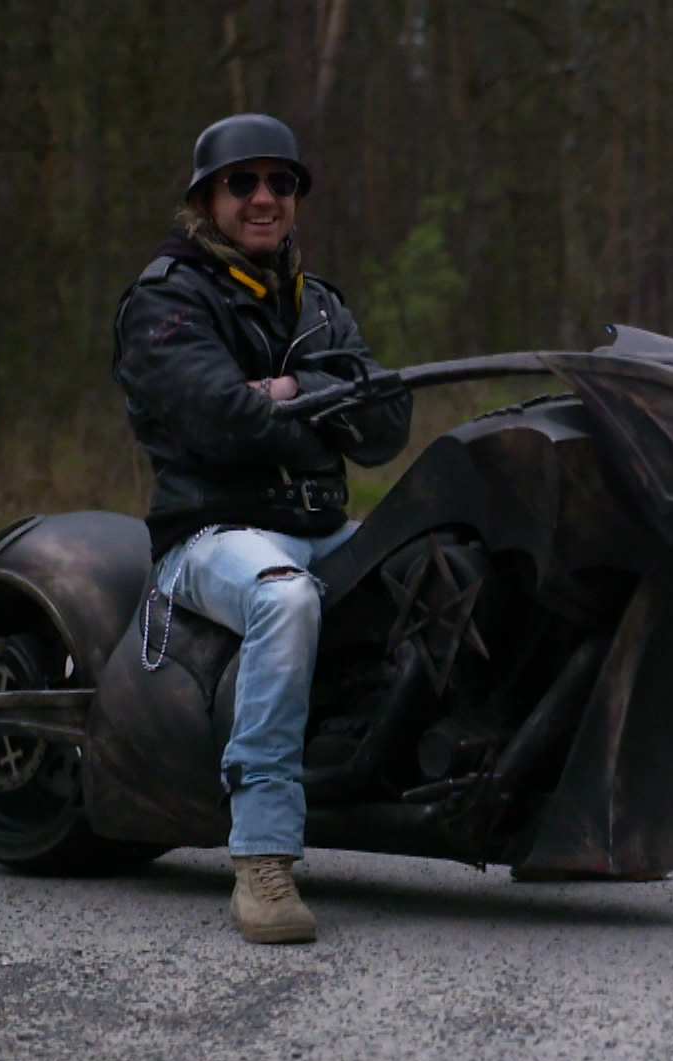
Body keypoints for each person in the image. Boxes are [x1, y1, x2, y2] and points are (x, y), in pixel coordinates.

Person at [112, 114, 413, 944]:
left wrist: (286, 391)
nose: (264, 197)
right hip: (209, 537)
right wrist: (321, 400)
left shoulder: (318, 301)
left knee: (441, 562)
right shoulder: (167, 297)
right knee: (286, 597)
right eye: (241, 182)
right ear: (206, 199)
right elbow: (220, 422)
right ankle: (262, 857)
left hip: (319, 523)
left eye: (281, 182)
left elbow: (387, 423)